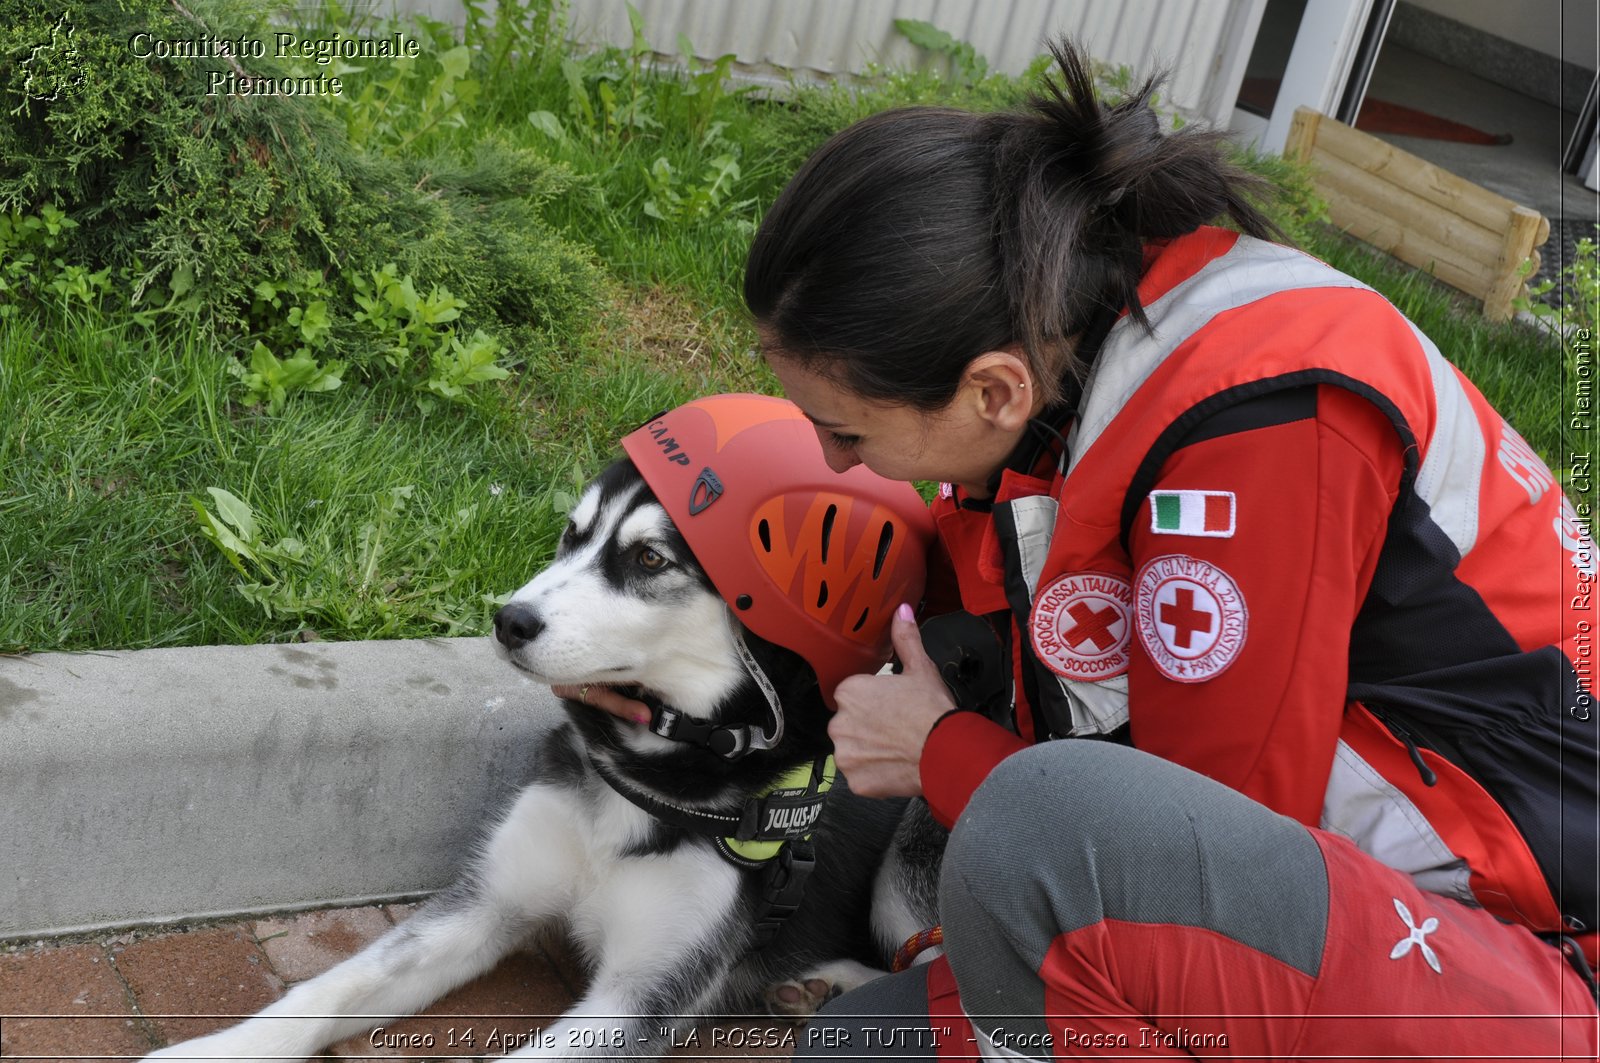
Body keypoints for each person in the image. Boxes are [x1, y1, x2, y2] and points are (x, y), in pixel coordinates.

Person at [576, 39, 1600, 1060]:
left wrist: (938, 751)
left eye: (846, 432)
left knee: (1039, 816)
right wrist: (666, 662)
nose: (835, 464)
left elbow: (1190, 851)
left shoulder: (1258, 434)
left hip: (1529, 959)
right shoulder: (1067, 349)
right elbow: (946, 609)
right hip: (1350, 913)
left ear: (990, 391)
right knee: (853, 1048)